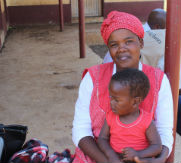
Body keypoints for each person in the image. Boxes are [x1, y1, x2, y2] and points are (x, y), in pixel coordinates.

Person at [72, 11, 173, 163]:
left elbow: (164, 130)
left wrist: (159, 159)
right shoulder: (93, 78)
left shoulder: (159, 80)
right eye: (114, 44)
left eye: (128, 41)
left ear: (141, 43)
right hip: (96, 157)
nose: (122, 48)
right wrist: (108, 161)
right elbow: (80, 130)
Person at [97, 68, 162, 163]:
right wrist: (111, 155)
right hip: (115, 159)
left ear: (135, 101)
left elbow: (156, 147)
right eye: (111, 97)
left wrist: (138, 154)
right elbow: (102, 138)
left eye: (116, 100)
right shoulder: (110, 116)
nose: (111, 102)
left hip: (138, 159)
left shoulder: (146, 120)